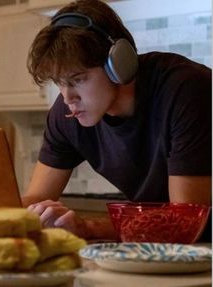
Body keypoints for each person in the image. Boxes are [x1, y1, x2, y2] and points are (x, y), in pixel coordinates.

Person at [23, 0, 212, 241]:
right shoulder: (67, 113)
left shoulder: (186, 91)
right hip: (160, 247)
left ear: (118, 64)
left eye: (77, 79)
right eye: (58, 82)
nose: (67, 96)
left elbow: (185, 221)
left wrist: (87, 228)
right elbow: (36, 200)